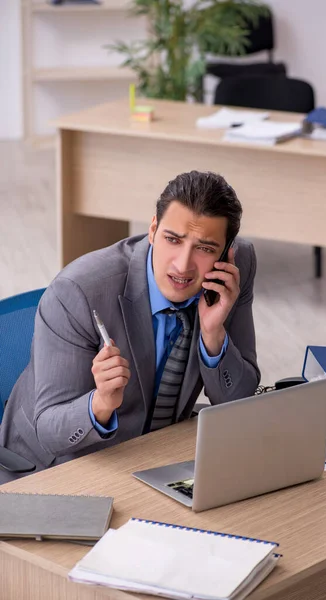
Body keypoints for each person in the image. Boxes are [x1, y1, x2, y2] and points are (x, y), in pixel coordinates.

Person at [0, 170, 260, 482]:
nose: (182, 265)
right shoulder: (79, 290)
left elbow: (239, 405)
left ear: (226, 251)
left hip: (158, 454)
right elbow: (49, 431)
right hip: (60, 466)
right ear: (152, 230)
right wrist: (100, 404)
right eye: (172, 240)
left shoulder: (236, 268)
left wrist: (214, 336)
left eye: (204, 248)